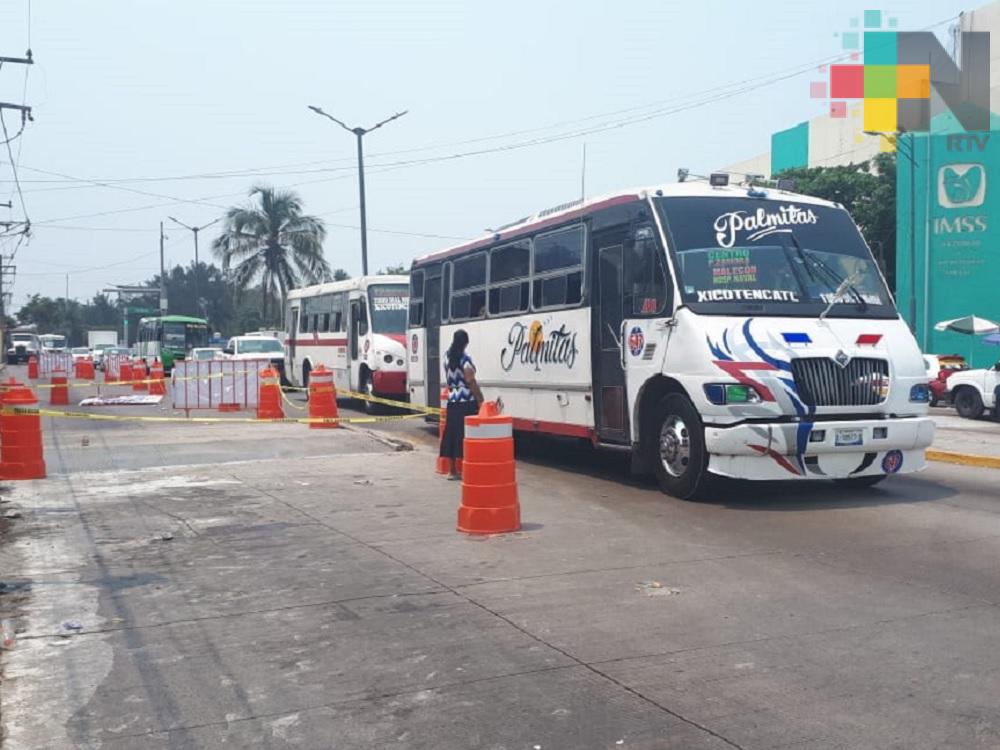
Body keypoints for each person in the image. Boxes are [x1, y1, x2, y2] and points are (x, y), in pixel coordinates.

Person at [440, 329, 484, 480]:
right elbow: (470, 379)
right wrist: (480, 398)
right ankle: (468, 469)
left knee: (452, 434)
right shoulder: (464, 358)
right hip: (466, 400)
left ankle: (452, 471)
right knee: (467, 435)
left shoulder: (447, 356)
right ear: (465, 342)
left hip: (452, 399)